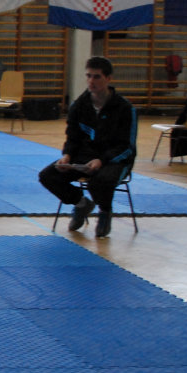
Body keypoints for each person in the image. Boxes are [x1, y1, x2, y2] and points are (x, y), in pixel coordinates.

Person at [38, 56, 136, 238]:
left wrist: (102, 160)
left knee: (100, 180)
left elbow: (127, 147)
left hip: (115, 160)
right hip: (84, 157)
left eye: (97, 77)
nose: (91, 81)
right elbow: (72, 137)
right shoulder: (79, 105)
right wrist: (67, 156)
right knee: (47, 176)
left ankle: (105, 211)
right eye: (88, 76)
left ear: (108, 78)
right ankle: (82, 204)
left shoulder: (125, 108)